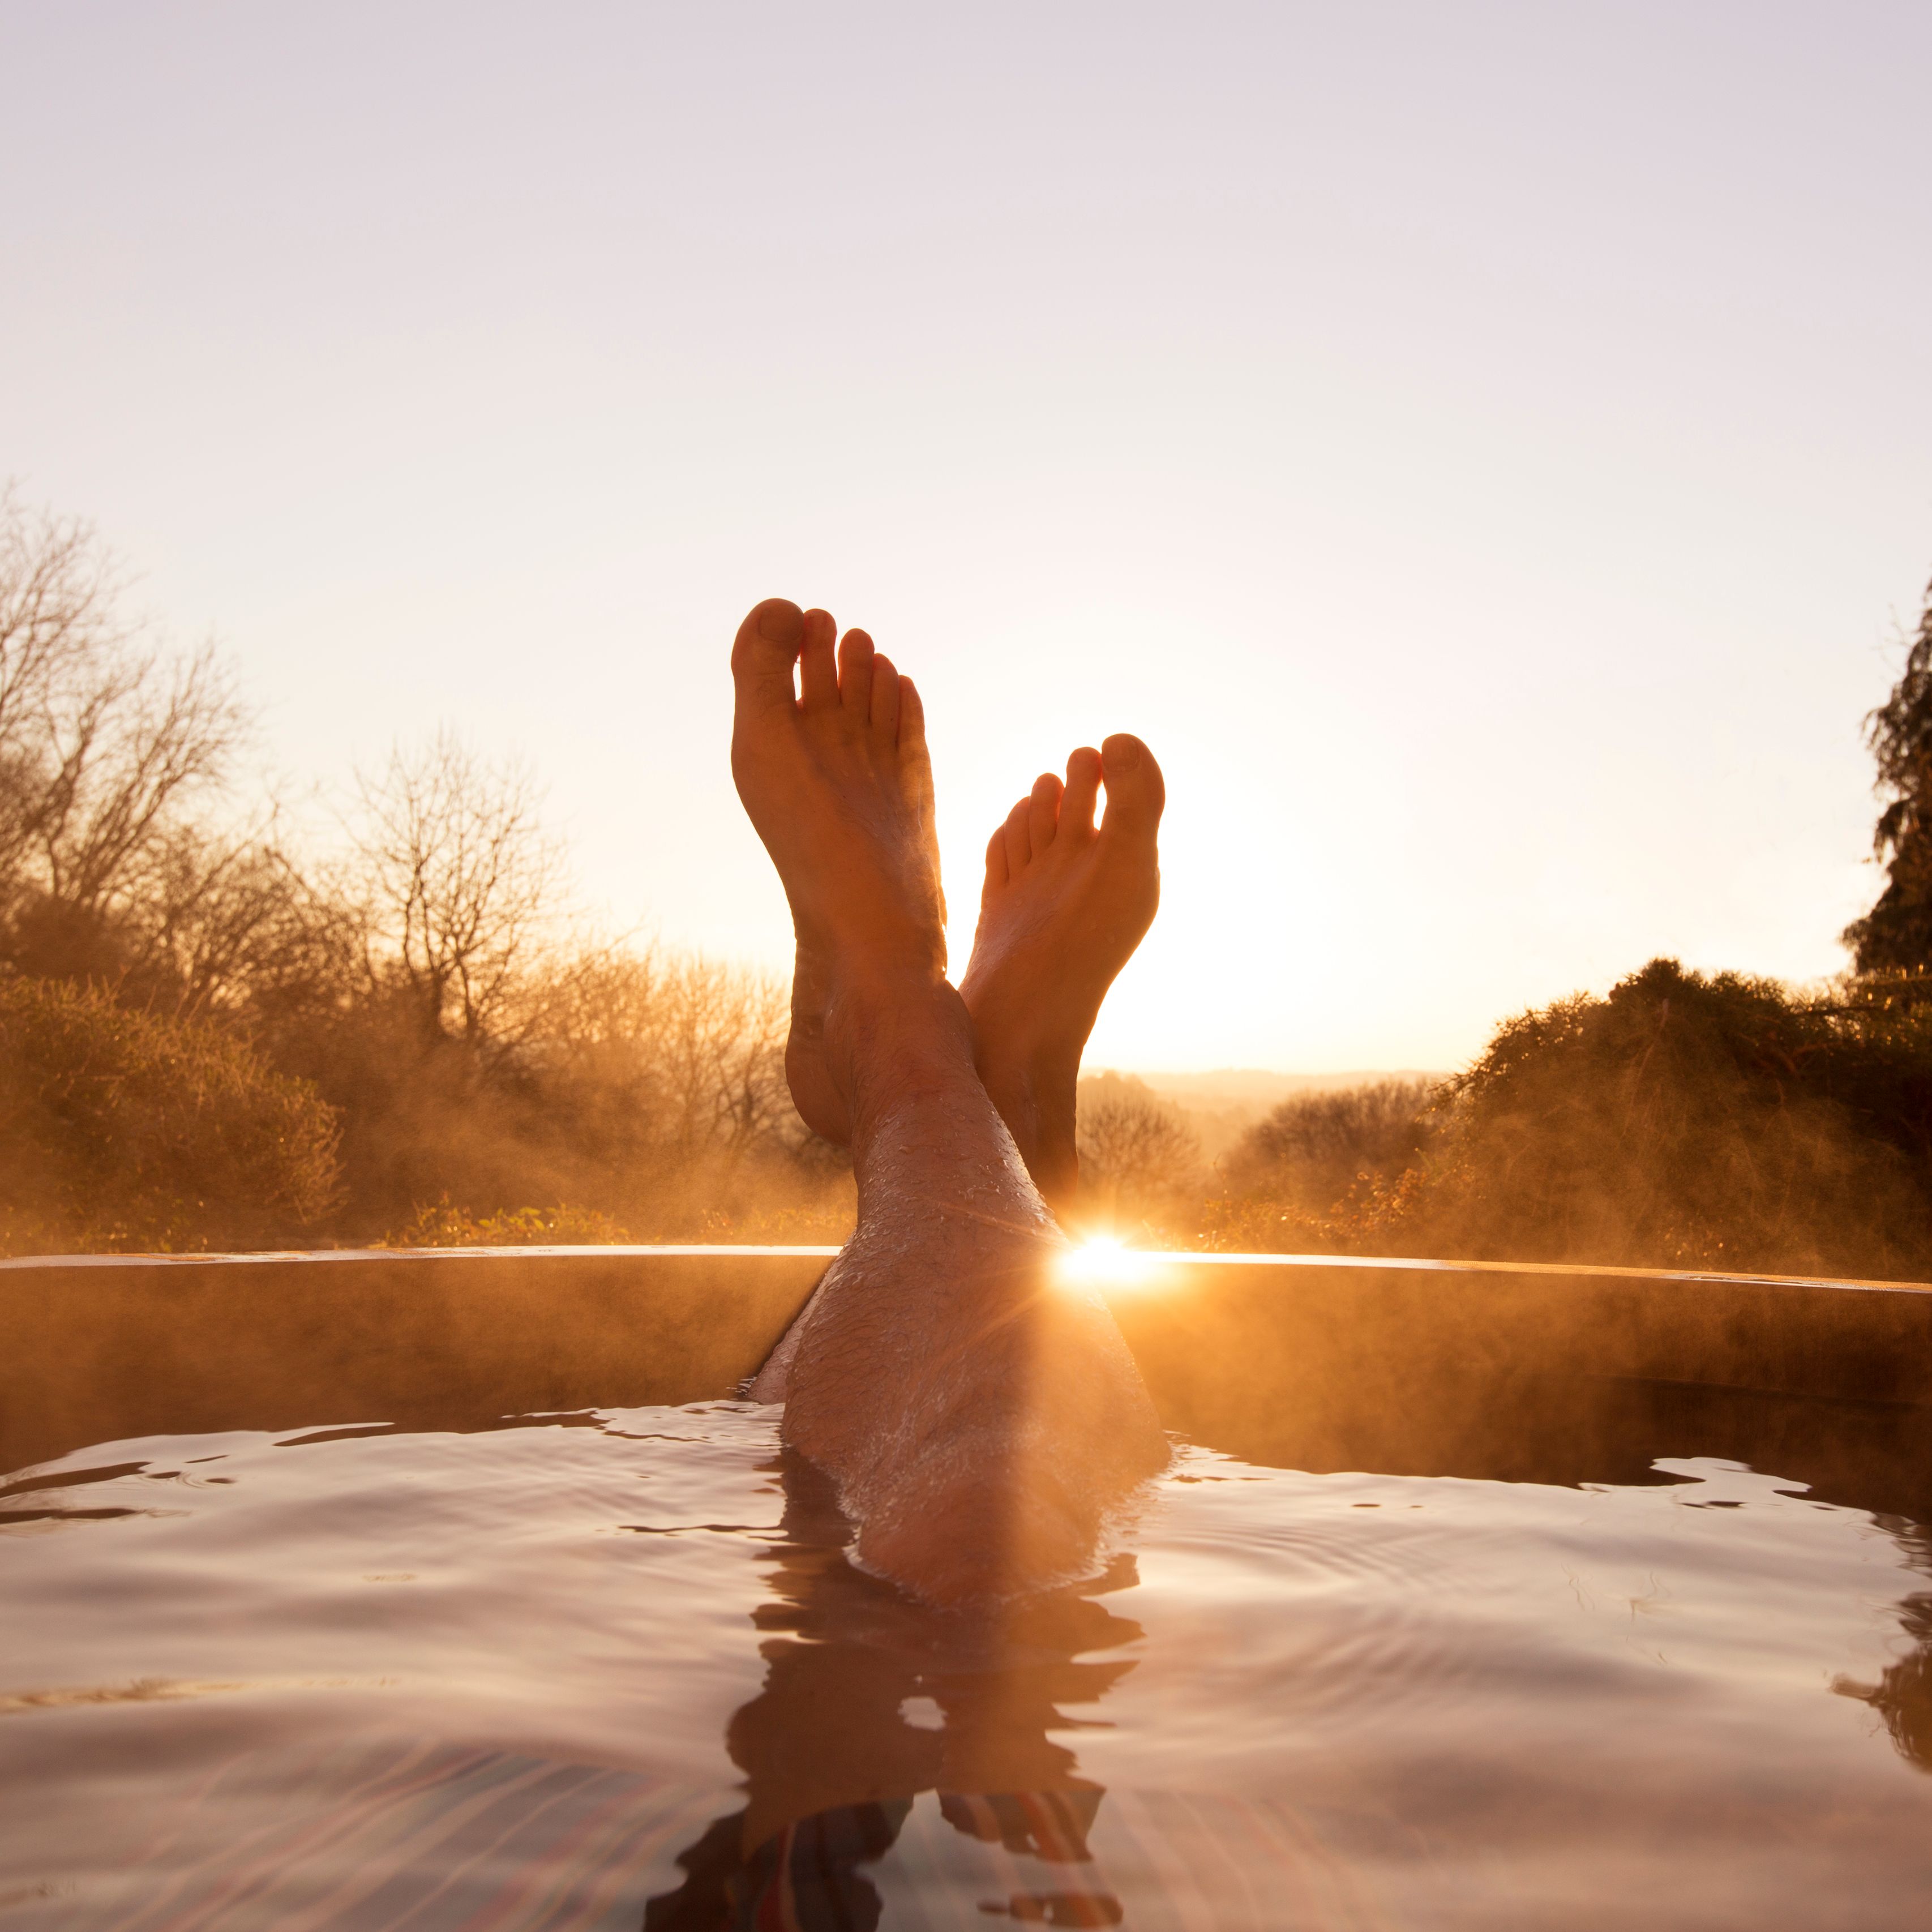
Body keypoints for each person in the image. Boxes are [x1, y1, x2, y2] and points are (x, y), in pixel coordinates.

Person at [730, 597, 1170, 1604]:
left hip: (843, 1623)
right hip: (1084, 1700)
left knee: (971, 1507)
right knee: (1003, 1510)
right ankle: (1001, 1105)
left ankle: (896, 1035)